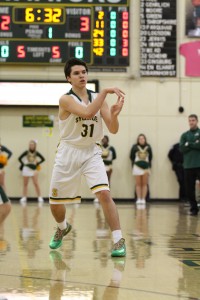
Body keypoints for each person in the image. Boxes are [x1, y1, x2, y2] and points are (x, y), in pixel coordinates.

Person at [49, 57, 126, 257]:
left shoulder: (98, 99)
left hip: (91, 152)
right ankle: (62, 227)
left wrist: (115, 115)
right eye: (76, 73)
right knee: (55, 203)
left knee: (105, 194)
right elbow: (86, 112)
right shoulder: (65, 99)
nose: (81, 75)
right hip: (68, 152)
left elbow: (113, 129)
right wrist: (105, 92)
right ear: (69, 78)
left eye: (84, 72)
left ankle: (118, 240)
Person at [180, 114, 200, 216]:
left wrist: (189, 144)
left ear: (197, 121)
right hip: (188, 165)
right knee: (189, 189)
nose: (191, 122)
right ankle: (194, 208)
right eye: (190, 120)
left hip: (199, 164)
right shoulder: (185, 135)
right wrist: (194, 144)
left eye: (193, 120)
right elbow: (182, 148)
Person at [18, 140, 45, 205]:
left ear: (35, 146)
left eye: (32, 145)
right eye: (30, 145)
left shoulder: (36, 152)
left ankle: (39, 197)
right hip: (26, 169)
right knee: (25, 184)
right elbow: (19, 158)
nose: (31, 146)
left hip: (33, 169)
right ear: (29, 146)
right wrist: (23, 164)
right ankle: (24, 197)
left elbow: (43, 159)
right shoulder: (26, 152)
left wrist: (37, 163)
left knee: (36, 183)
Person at [130, 134, 153, 205]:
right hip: (137, 167)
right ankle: (139, 198)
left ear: (145, 139)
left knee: (144, 184)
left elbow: (151, 157)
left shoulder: (148, 147)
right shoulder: (134, 147)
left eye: (143, 139)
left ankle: (143, 199)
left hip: (146, 168)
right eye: (140, 139)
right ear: (138, 140)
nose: (141, 140)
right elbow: (131, 157)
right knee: (138, 184)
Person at [94, 135, 117, 203]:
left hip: (108, 166)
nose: (104, 140)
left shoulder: (111, 148)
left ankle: (107, 196)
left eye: (105, 139)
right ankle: (97, 197)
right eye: (102, 139)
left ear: (108, 140)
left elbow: (114, 156)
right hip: (100, 166)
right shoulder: (98, 147)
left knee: (107, 181)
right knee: (98, 181)